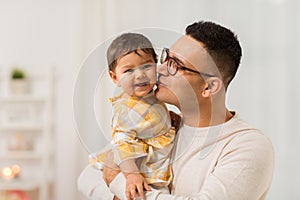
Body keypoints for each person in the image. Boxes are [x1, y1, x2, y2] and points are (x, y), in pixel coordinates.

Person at [78, 21, 274, 200]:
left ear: (209, 87)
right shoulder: (163, 125)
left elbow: (109, 173)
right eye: (165, 57)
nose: (160, 69)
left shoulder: (248, 145)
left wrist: (117, 182)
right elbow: (88, 175)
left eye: (176, 65)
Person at [89, 33, 178, 200]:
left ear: (156, 64)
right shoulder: (126, 111)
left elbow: (151, 118)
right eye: (129, 70)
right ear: (114, 77)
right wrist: (131, 175)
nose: (140, 75)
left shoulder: (150, 95)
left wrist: (169, 118)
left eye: (146, 66)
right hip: (142, 173)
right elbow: (122, 144)